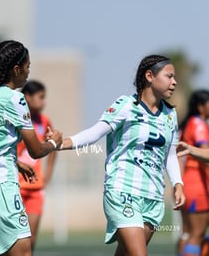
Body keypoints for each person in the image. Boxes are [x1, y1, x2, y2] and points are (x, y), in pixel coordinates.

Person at [56, 55, 185, 256]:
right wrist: (63, 143)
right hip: (123, 191)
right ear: (150, 76)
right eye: (169, 76)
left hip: (152, 197)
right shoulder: (126, 106)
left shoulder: (170, 114)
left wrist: (178, 184)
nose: (174, 82)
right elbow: (95, 133)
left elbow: (169, 154)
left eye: (174, 77)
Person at [0, 40, 62, 256]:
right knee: (24, 251)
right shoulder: (14, 99)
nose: (28, 72)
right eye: (27, 66)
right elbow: (36, 150)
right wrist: (54, 142)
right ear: (16, 69)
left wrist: (14, 161)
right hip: (1, 188)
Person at [17, 80, 57, 251]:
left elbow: (53, 147)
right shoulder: (17, 119)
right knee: (16, 240)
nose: (43, 102)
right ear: (27, 97)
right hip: (16, 187)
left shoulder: (44, 121)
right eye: (40, 97)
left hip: (36, 188)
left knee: (31, 241)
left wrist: (47, 175)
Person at [176, 90, 209, 256]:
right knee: (196, 234)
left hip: (191, 184)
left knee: (189, 232)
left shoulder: (191, 123)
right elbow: (207, 157)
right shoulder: (198, 124)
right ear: (201, 107)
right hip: (198, 184)